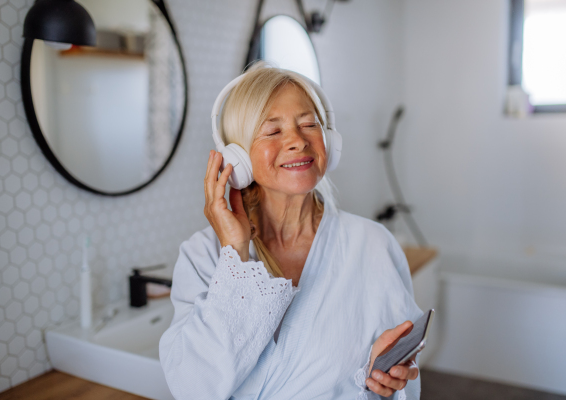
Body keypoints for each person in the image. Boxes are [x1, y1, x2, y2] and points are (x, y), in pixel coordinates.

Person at [159, 62, 422, 400]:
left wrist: (382, 382)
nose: (298, 141)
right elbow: (194, 389)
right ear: (236, 157)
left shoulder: (373, 245)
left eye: (309, 124)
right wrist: (235, 256)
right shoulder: (203, 256)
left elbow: (404, 381)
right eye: (272, 130)